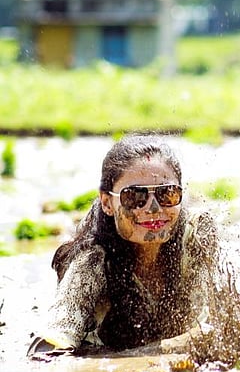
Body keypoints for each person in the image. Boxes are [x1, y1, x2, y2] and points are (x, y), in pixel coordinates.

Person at [27, 135, 221, 356]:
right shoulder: (92, 262)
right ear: (107, 203)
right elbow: (48, 346)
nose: (154, 208)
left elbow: (213, 325)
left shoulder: (197, 233)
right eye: (135, 197)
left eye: (167, 193)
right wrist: (130, 358)